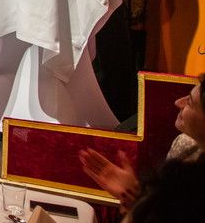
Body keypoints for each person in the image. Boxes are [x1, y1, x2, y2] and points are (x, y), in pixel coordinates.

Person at [79, 74, 204, 213]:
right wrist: (136, 196)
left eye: (190, 102)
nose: (178, 102)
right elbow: (165, 214)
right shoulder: (185, 143)